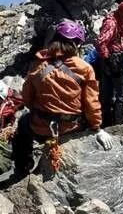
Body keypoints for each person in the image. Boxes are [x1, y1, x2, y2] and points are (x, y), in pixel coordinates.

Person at [11, 19, 108, 178]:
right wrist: (97, 127)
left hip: (41, 128)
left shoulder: (38, 65)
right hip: (71, 127)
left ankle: (22, 168)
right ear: (76, 44)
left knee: (23, 123)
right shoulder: (85, 68)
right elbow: (91, 104)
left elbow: (27, 99)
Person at [96, 0, 123, 127]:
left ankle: (106, 122)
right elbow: (101, 42)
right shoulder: (112, 23)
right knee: (122, 96)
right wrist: (108, 59)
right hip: (115, 64)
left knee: (107, 96)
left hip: (113, 62)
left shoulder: (117, 20)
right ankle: (117, 125)